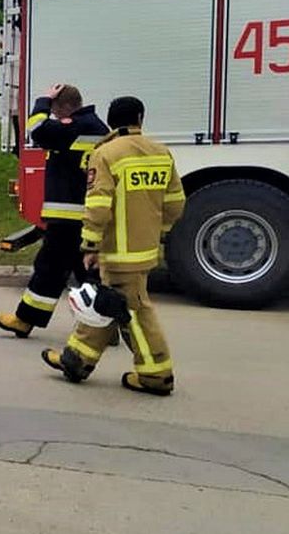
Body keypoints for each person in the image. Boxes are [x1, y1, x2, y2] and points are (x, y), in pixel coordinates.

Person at [42, 96, 186, 396]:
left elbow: (98, 205)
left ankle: (156, 376)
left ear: (110, 120)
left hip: (117, 249)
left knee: (134, 310)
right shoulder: (161, 152)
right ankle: (76, 359)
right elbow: (175, 204)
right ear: (140, 119)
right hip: (145, 249)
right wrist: (155, 230)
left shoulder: (106, 154)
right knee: (112, 304)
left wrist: (90, 244)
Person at [0, 83, 110, 337]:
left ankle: (25, 320)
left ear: (65, 107)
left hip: (70, 217)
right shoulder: (96, 128)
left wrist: (43, 101)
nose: (55, 117)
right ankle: (106, 326)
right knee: (86, 273)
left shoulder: (78, 126)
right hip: (80, 216)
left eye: (56, 112)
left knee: (49, 268)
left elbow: (38, 131)